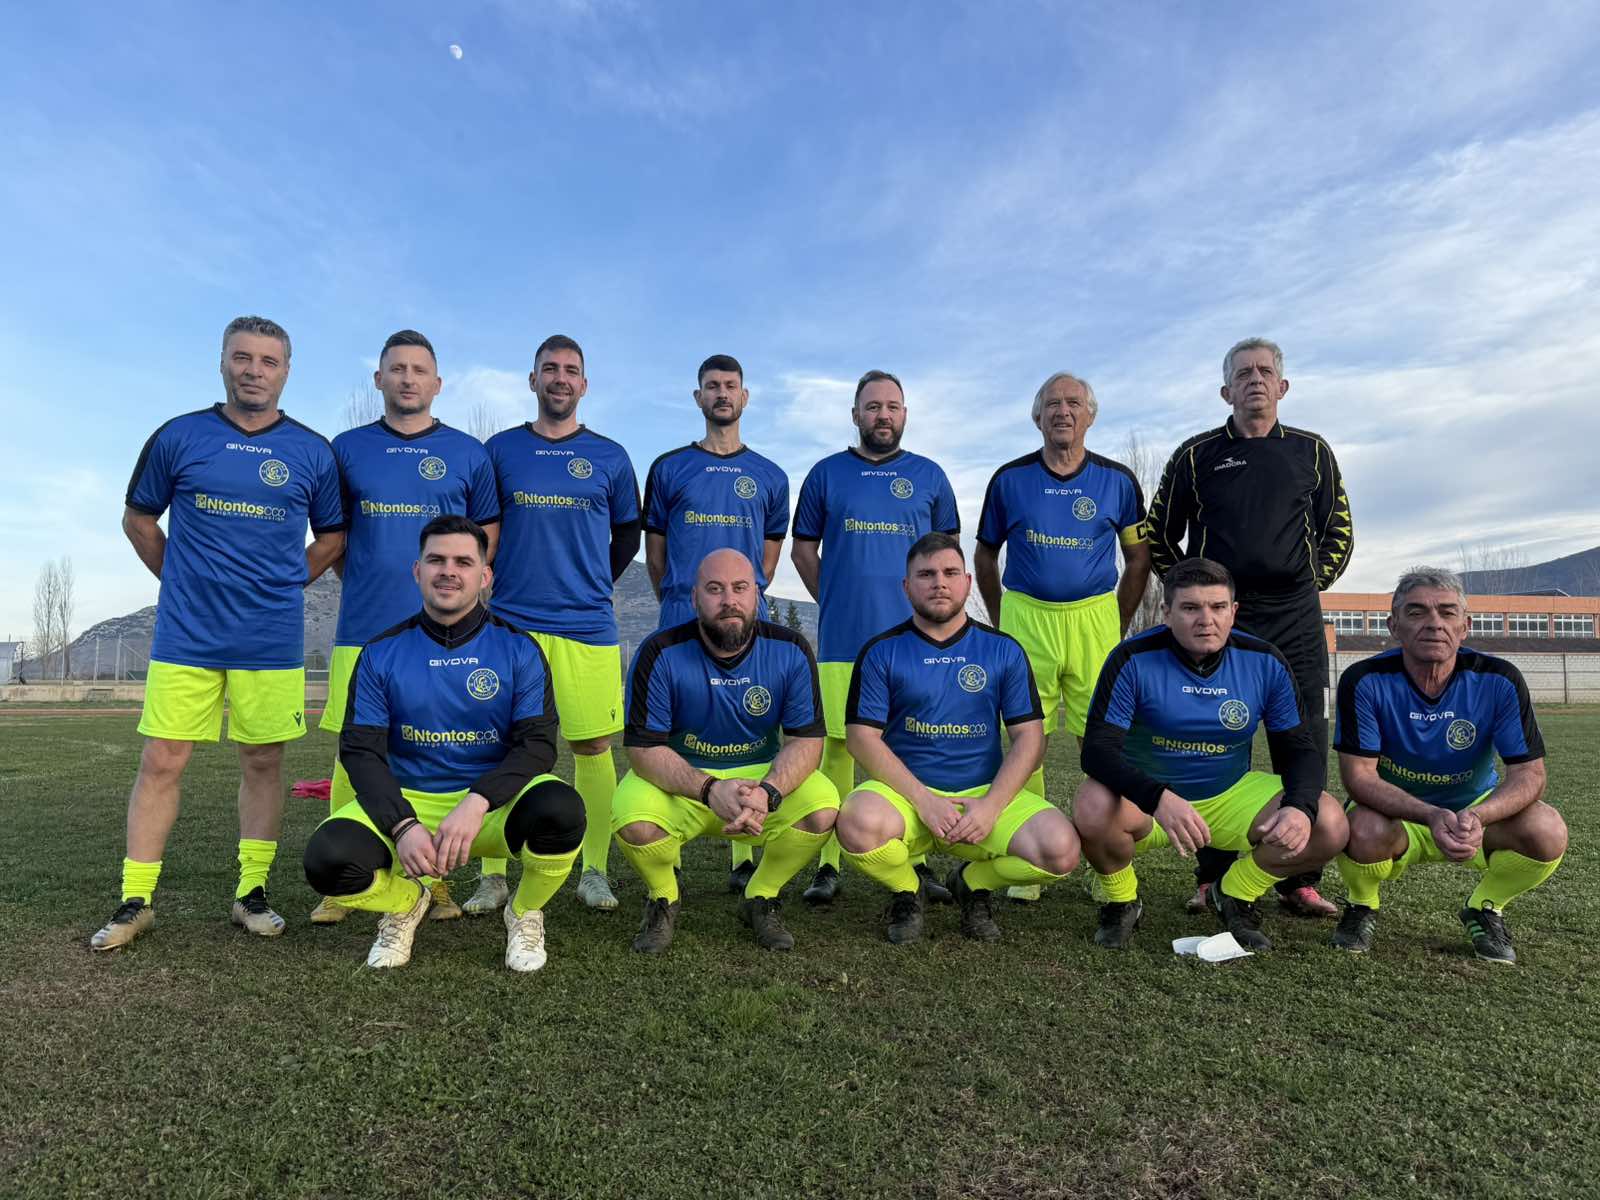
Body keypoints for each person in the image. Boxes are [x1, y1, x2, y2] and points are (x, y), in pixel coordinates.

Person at [93, 316, 345, 950]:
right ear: (223, 362)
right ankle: (136, 900)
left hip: (270, 638)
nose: (254, 371)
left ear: (286, 371)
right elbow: (138, 519)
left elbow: (333, 537)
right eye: (243, 357)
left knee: (263, 761)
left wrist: (285, 582)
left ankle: (251, 893)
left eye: (268, 360)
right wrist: (180, 578)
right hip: (188, 635)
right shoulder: (179, 436)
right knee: (161, 759)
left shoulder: (312, 450)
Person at [302, 516, 585, 970]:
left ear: (484, 575)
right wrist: (402, 825)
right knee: (327, 859)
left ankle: (524, 911)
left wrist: (478, 800)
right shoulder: (381, 652)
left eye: (463, 562)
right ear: (418, 571)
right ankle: (406, 903)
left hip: (492, 809)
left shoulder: (519, 648)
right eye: (436, 560)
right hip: (412, 803)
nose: (448, 571)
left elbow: (537, 745)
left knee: (562, 809)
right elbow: (361, 750)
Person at [1144, 337, 1353, 918]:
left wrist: (1305, 582)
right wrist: (1196, 593)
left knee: (1303, 738)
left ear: (1282, 386)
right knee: (1212, 737)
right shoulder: (1196, 455)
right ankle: (1211, 876)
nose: (1254, 380)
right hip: (1221, 624)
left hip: (1295, 619)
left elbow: (1339, 531)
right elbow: (1158, 532)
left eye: (1264, 371)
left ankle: (1297, 877)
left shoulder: (1312, 451)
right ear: (1225, 391)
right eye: (1242, 373)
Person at [311, 329, 500, 926]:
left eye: (419, 370)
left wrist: (457, 595)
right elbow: (335, 538)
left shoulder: (468, 453)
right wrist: (369, 582)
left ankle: (434, 882)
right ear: (379, 379)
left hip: (443, 633)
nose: (408, 379)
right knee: (354, 750)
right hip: (364, 628)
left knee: (434, 750)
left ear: (437, 383)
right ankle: (346, 880)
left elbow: (485, 537)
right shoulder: (346, 449)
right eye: (397, 369)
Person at [1073, 557, 1348, 951]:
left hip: (1229, 793)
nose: (1206, 620)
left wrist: (1299, 807)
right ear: (1166, 613)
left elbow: (1300, 748)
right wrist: (1157, 796)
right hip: (1147, 802)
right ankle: (1122, 901)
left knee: (1329, 822)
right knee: (1091, 804)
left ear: (1233, 611)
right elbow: (1097, 751)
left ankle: (1234, 892)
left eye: (1218, 607)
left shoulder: (1264, 660)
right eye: (1190, 607)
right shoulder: (1132, 658)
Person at [836, 533, 1080, 943]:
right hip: (908, 799)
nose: (939, 583)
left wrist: (991, 806)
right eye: (926, 574)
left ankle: (972, 882)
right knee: (857, 822)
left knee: (1060, 850)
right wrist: (924, 800)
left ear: (967, 582)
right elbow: (862, 738)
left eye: (950, 572)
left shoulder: (1002, 649)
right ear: (906, 586)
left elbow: (1030, 738)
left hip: (981, 796)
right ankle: (908, 889)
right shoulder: (882, 651)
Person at [1330, 568, 1565, 963]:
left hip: (1473, 811)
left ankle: (1485, 907)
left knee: (1547, 829)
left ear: (1465, 626)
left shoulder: (1499, 678)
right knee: (1361, 828)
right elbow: (1359, 777)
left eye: (1447, 611)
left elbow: (1530, 775)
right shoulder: (1364, 679)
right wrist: (1430, 814)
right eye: (1416, 612)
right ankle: (1362, 904)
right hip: (1397, 814)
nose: (1434, 623)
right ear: (1393, 625)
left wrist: (1478, 815)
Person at [481, 334, 641, 914]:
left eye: (571, 370)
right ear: (533, 380)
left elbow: (628, 535)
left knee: (592, 745)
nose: (560, 378)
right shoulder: (500, 450)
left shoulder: (610, 456)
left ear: (584, 384)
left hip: (586, 625)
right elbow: (483, 530)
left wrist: (592, 581)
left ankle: (593, 870)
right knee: (501, 745)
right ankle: (492, 873)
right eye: (550, 368)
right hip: (510, 625)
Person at [974, 372, 1150, 899]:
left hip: (1094, 620)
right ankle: (1028, 855)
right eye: (1052, 403)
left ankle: (1108, 865)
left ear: (1090, 415)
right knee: (1025, 738)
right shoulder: (1009, 480)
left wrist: (1117, 619)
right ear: (1037, 417)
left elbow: (1138, 558)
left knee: (1104, 741)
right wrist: (1004, 618)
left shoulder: (1118, 481)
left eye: (1074, 403)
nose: (1063, 411)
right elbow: (984, 555)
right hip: (1027, 618)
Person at [790, 369, 961, 906]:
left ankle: (916, 858)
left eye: (892, 406)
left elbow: (946, 557)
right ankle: (829, 864)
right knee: (837, 752)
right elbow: (802, 551)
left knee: (910, 748)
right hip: (844, 640)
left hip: (915, 645)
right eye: (872, 406)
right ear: (855, 414)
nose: (882, 415)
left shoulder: (929, 476)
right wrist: (835, 597)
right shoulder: (826, 474)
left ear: (904, 414)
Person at [613, 549, 839, 954]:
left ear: (757, 595)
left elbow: (806, 741)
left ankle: (761, 895)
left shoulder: (790, 648)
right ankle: (664, 897)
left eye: (740, 588)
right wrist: (708, 788)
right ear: (695, 597)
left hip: (760, 782)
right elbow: (644, 750)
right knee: (632, 816)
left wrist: (769, 791)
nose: (729, 600)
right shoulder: (659, 651)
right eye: (715, 589)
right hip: (684, 783)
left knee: (822, 807)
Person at [641, 354, 790, 892]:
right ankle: (671, 846)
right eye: (712, 386)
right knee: (673, 729)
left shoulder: (770, 476)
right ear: (698, 397)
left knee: (749, 727)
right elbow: (656, 555)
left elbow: (767, 561)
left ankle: (744, 851)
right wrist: (681, 598)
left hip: (743, 622)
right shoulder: (669, 468)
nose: (722, 393)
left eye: (730, 386)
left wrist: (740, 599)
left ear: (744, 397)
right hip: (682, 616)